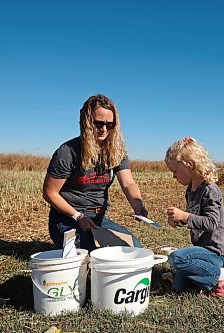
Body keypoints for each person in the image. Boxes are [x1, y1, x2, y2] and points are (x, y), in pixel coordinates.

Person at [43, 94, 147, 251]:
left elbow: (128, 183)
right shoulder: (68, 152)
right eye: (98, 123)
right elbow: (50, 193)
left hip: (98, 218)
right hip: (67, 219)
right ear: (87, 122)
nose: (104, 129)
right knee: (96, 253)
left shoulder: (116, 151)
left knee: (134, 249)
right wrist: (78, 216)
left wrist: (138, 205)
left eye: (110, 124)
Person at [164, 137, 224, 297]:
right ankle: (200, 277)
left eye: (175, 171)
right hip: (202, 250)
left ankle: (223, 275)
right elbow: (196, 219)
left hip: (215, 253)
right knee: (178, 288)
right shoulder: (191, 190)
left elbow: (211, 223)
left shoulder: (210, 190)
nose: (174, 177)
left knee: (176, 258)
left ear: (189, 164)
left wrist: (185, 215)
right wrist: (180, 220)